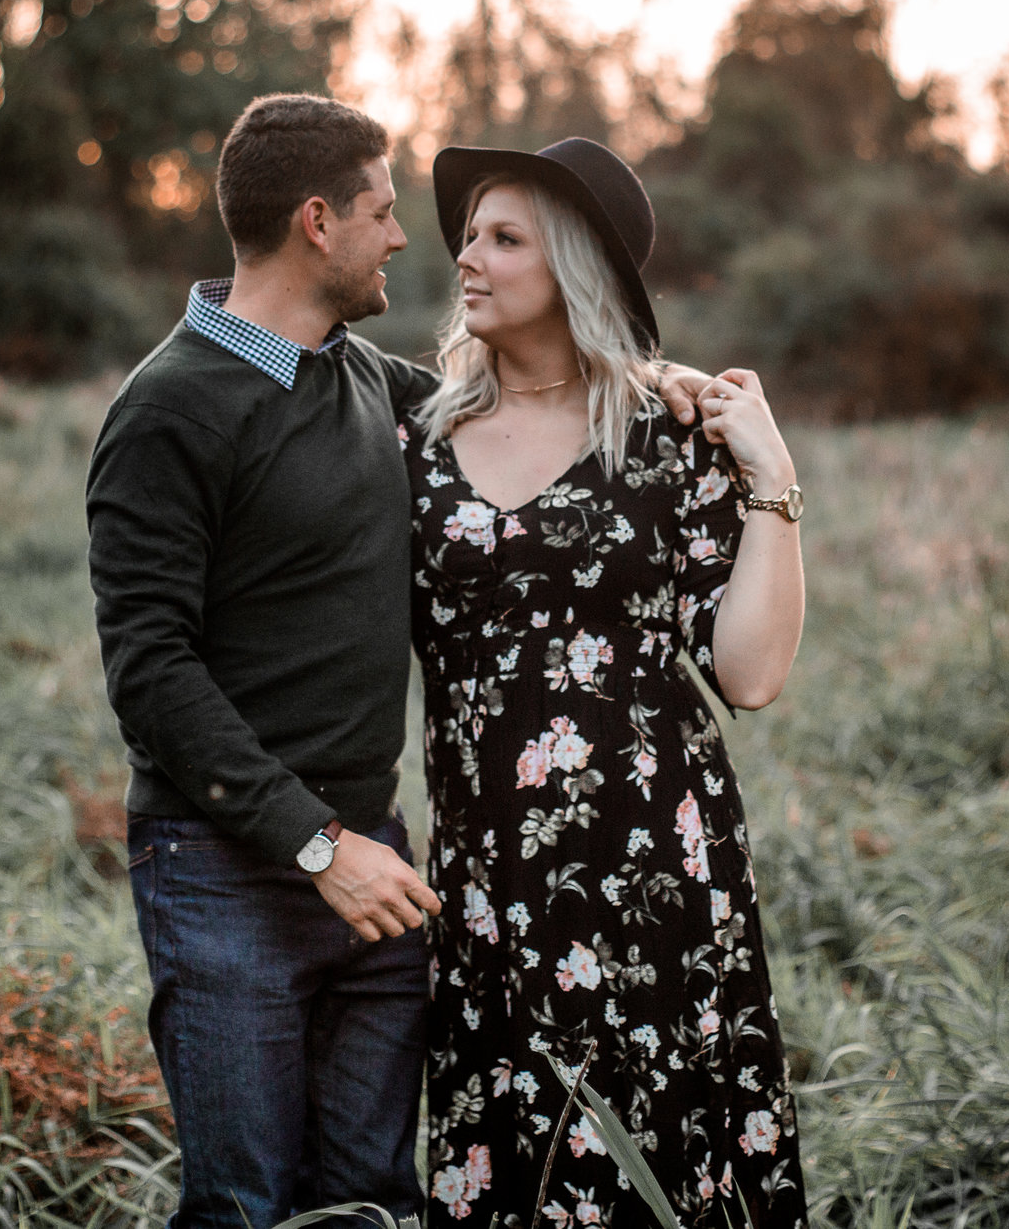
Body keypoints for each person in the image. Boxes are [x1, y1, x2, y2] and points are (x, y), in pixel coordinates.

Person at [87, 98, 716, 1229]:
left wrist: (660, 383)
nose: (403, 239)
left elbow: (532, 416)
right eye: (383, 213)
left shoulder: (373, 387)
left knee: (374, 1201)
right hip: (225, 871)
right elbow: (149, 669)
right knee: (245, 1205)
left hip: (375, 867)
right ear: (317, 222)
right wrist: (316, 845)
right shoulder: (169, 408)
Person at [405, 138, 808, 1228]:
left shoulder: (667, 438)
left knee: (657, 1152)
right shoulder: (417, 438)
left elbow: (751, 672)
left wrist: (769, 479)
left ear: (572, 266)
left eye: (503, 236)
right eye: (467, 236)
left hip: (657, 871)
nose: (468, 258)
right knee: (515, 1155)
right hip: (487, 881)